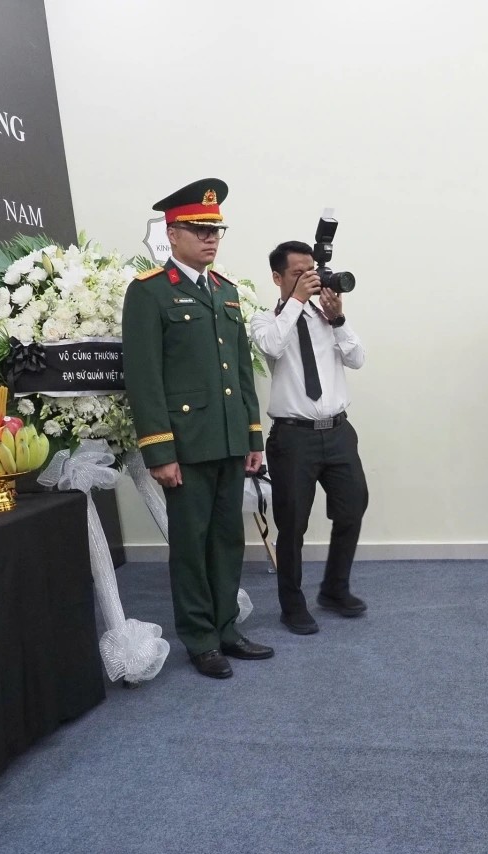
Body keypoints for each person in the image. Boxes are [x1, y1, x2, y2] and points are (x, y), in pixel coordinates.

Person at [122, 178, 272, 679]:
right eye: (199, 229)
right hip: (185, 447)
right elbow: (144, 378)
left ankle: (227, 628)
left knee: (228, 540)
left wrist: (253, 438)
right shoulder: (149, 292)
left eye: (216, 230)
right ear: (173, 233)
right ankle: (200, 638)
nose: (210, 238)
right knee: (191, 546)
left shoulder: (225, 291)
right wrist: (160, 451)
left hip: (229, 440)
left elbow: (242, 371)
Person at [249, 241, 369, 635]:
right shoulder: (264, 320)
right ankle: (292, 605)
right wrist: (297, 301)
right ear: (277, 277)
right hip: (293, 438)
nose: (308, 279)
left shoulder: (326, 318)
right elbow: (273, 346)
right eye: (298, 273)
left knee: (352, 508)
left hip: (338, 432)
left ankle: (335, 589)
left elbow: (357, 358)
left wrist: (339, 319)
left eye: (311, 271)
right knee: (292, 525)